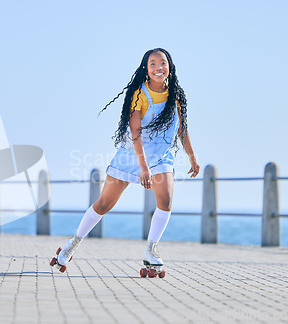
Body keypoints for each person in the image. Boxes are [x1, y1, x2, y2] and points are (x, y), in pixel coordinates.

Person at [50, 48, 200, 275]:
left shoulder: (175, 95)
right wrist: (143, 168)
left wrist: (192, 156)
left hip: (160, 156)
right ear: (146, 69)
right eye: (153, 64)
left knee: (166, 200)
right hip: (132, 155)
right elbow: (135, 133)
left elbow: (182, 128)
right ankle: (73, 243)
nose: (159, 67)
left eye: (163, 63)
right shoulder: (139, 95)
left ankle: (151, 249)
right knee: (104, 204)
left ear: (169, 66)